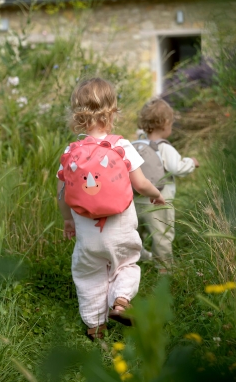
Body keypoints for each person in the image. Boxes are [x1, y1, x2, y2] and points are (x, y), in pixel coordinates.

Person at [57, 78, 165, 340]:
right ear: (113, 111)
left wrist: (68, 222)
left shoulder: (71, 151)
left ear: (78, 114)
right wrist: (156, 194)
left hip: (88, 237)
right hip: (120, 232)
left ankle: (95, 325)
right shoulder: (121, 146)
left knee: (89, 274)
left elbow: (62, 194)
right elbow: (140, 183)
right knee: (127, 265)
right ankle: (121, 302)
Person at [135, 97, 199, 272]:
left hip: (135, 201)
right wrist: (191, 162)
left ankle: (133, 259)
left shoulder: (136, 144)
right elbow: (176, 167)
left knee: (134, 235)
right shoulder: (165, 148)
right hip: (159, 202)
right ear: (164, 124)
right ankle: (164, 268)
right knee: (161, 235)